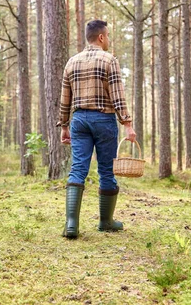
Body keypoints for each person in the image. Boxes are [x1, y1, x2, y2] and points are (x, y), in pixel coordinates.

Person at [58, 19, 136, 239]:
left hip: (79, 120)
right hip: (103, 119)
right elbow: (118, 96)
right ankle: (106, 221)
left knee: (78, 168)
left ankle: (71, 224)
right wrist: (128, 124)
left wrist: (64, 126)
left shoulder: (71, 62)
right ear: (101, 37)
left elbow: (65, 98)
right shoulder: (109, 60)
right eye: (108, 35)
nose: (108, 39)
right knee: (106, 170)